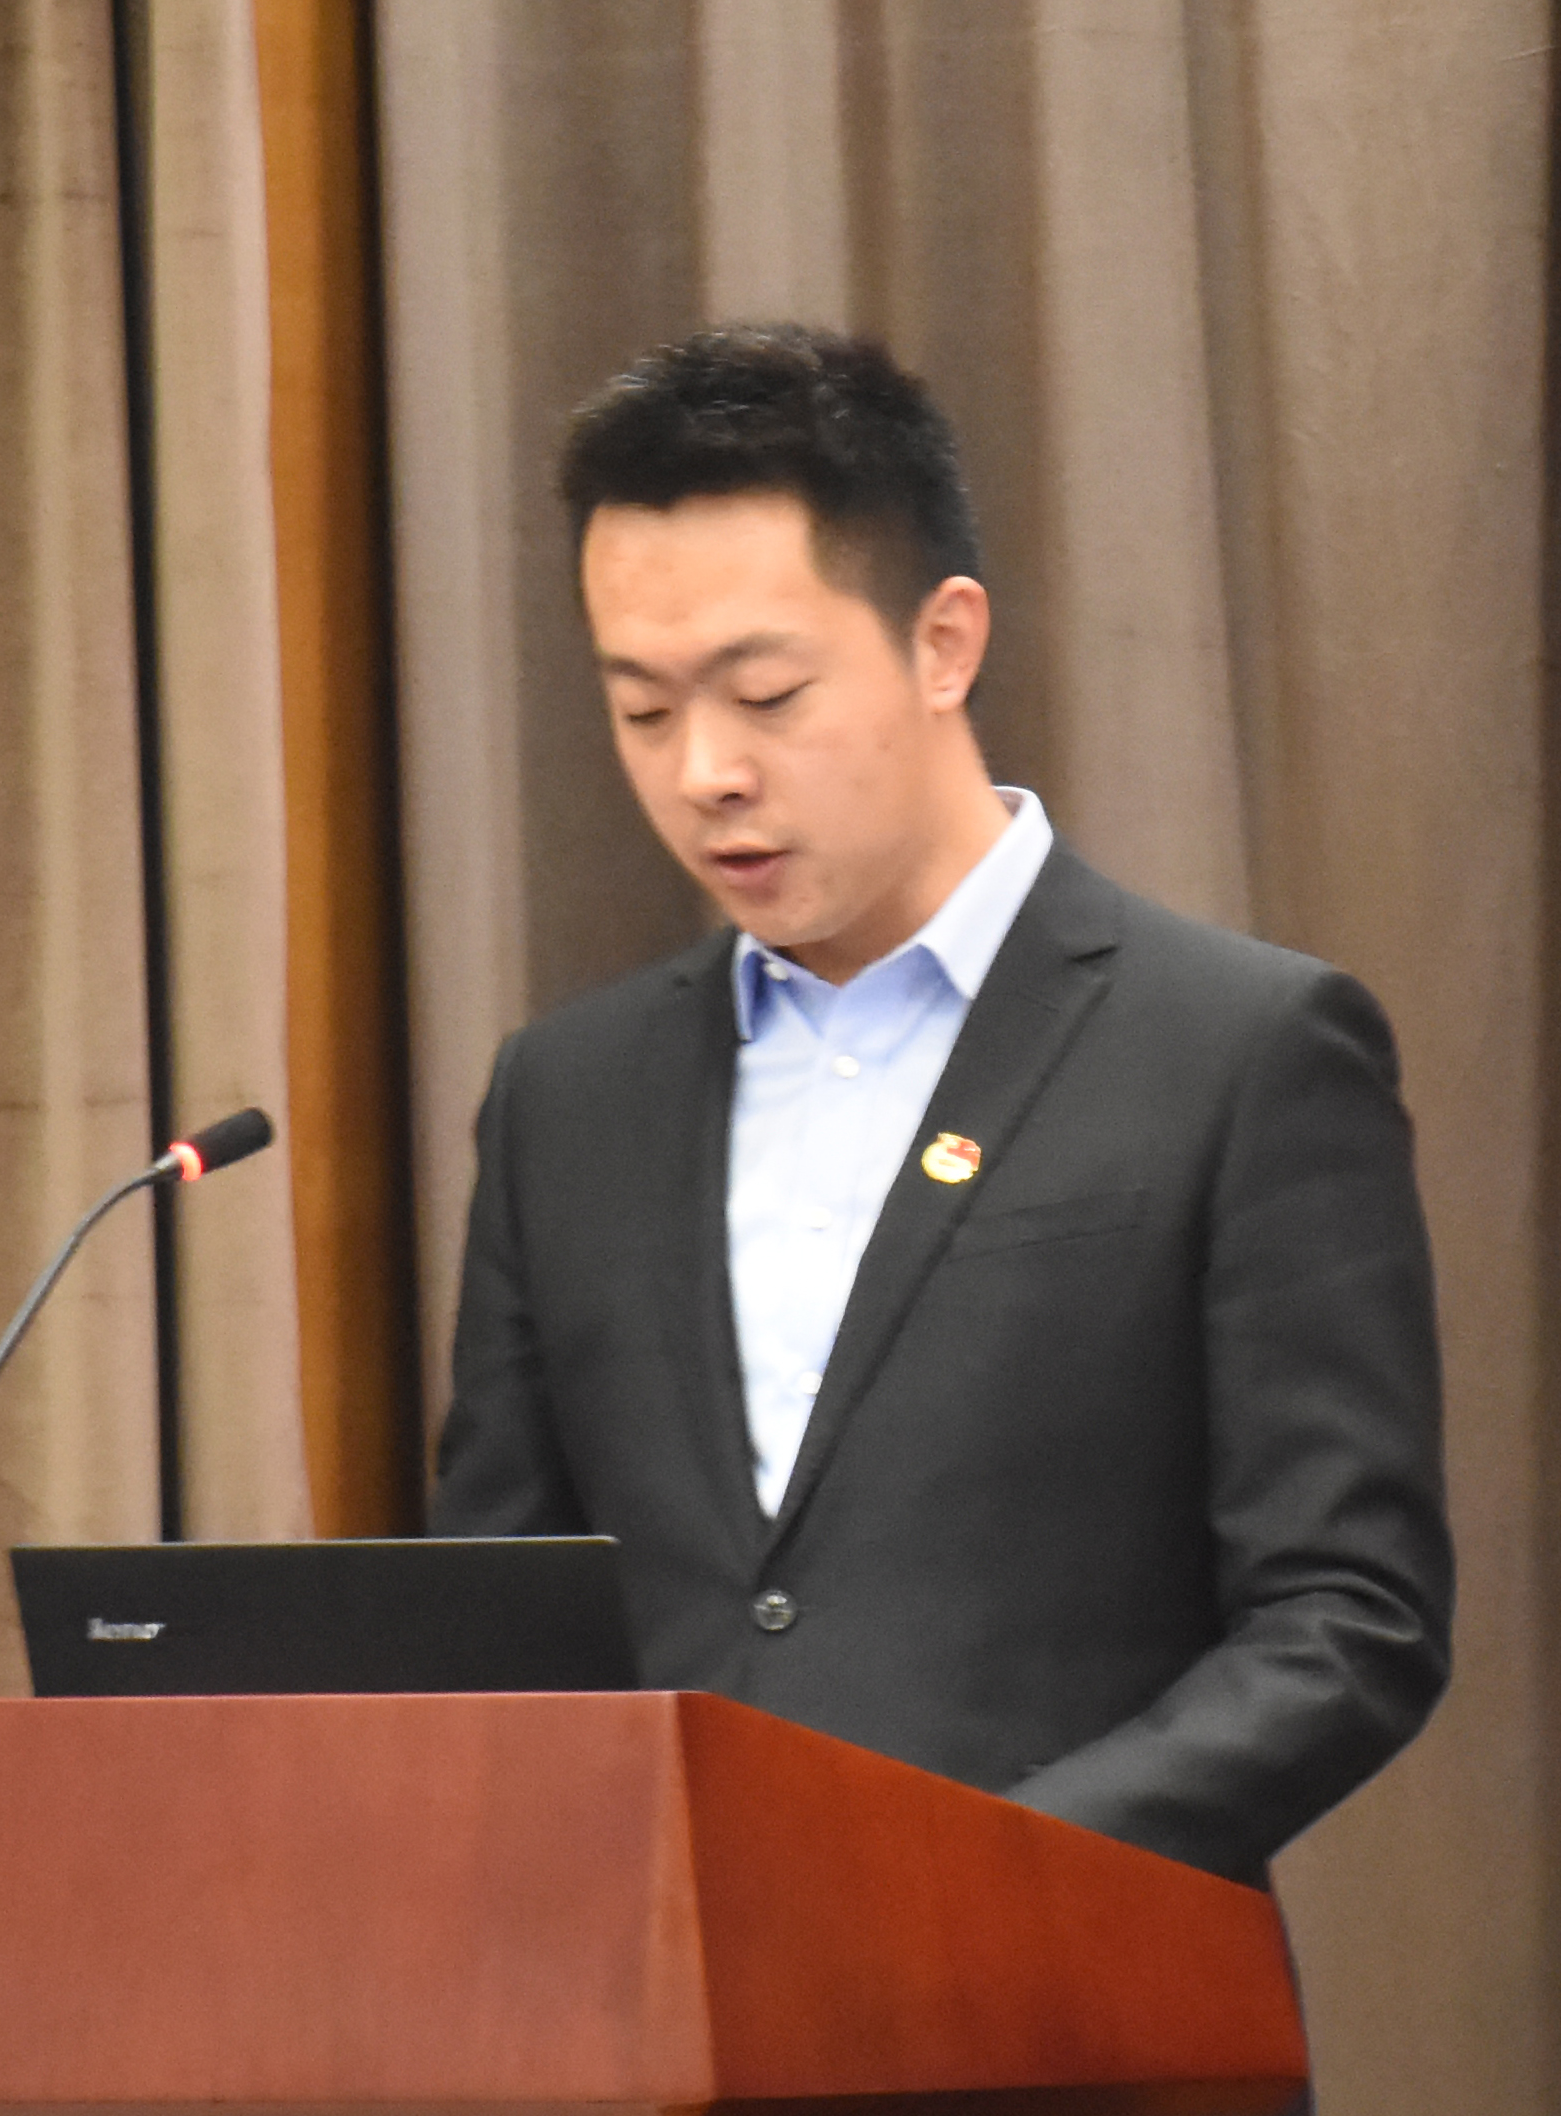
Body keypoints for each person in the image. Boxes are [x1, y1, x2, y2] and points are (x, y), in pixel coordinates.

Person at [429, 324, 1451, 1887]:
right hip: (661, 1993)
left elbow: (1346, 1620)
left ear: (942, 644)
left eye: (765, 694)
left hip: (1061, 1980)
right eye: (641, 711)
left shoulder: (1236, 1050)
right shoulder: (565, 1097)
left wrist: (971, 1873)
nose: (704, 772)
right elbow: (500, 1601)